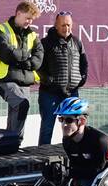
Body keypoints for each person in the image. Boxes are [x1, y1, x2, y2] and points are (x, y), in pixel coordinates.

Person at [0, 0, 44, 150]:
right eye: (27, 18)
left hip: (25, 81)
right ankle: (15, 142)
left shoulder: (32, 34)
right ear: (18, 13)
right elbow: (6, 54)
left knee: (18, 112)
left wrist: (23, 60)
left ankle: (11, 145)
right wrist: (27, 57)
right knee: (21, 104)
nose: (29, 22)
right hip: (5, 80)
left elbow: (38, 58)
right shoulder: (0, 30)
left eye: (32, 19)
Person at [37, 11, 88, 145]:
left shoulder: (77, 42)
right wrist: (48, 80)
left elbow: (84, 63)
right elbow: (37, 66)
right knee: (47, 129)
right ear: (56, 25)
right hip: (49, 94)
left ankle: (72, 156)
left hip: (72, 93)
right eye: (63, 25)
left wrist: (82, 78)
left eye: (69, 25)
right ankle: (43, 159)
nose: (66, 28)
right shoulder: (45, 43)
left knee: (73, 129)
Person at [56, 97, 108, 186]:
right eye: (61, 119)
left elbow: (98, 170)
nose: (64, 124)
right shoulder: (67, 140)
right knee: (77, 183)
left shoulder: (99, 140)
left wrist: (69, 172)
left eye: (69, 120)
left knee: (85, 183)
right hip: (96, 171)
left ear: (82, 121)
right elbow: (75, 166)